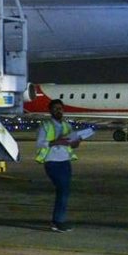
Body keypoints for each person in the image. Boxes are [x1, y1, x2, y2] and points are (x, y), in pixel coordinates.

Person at [35, 98, 83, 232]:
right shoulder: (46, 126)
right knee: (63, 191)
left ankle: (58, 220)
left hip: (65, 162)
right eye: (55, 109)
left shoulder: (67, 126)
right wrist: (57, 141)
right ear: (50, 111)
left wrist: (77, 142)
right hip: (52, 162)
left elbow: (73, 145)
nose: (58, 111)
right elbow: (40, 143)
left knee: (64, 191)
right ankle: (58, 221)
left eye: (60, 108)